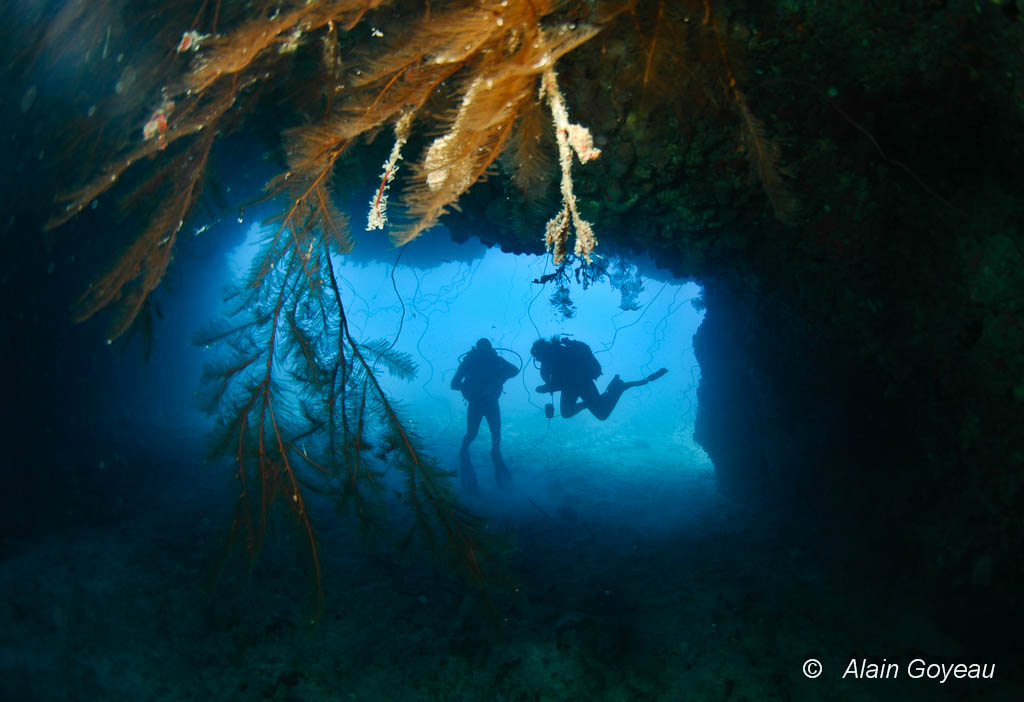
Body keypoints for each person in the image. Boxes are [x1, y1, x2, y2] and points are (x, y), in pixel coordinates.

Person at [530, 336, 667, 420]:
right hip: (573, 386)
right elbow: (562, 381)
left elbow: (568, 378)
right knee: (567, 412)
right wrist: (548, 386)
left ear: (543, 352)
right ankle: (608, 392)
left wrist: (547, 387)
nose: (537, 360)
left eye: (537, 357)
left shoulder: (557, 357)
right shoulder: (551, 358)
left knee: (601, 414)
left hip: (583, 383)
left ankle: (618, 387)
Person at [450, 338, 519, 492]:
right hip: (487, 403)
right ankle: (491, 453)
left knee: (474, 432)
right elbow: (514, 370)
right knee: (491, 432)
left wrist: (469, 387)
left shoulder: (473, 361)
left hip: (479, 402)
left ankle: (466, 451)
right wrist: (494, 381)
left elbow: (454, 384)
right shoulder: (489, 360)